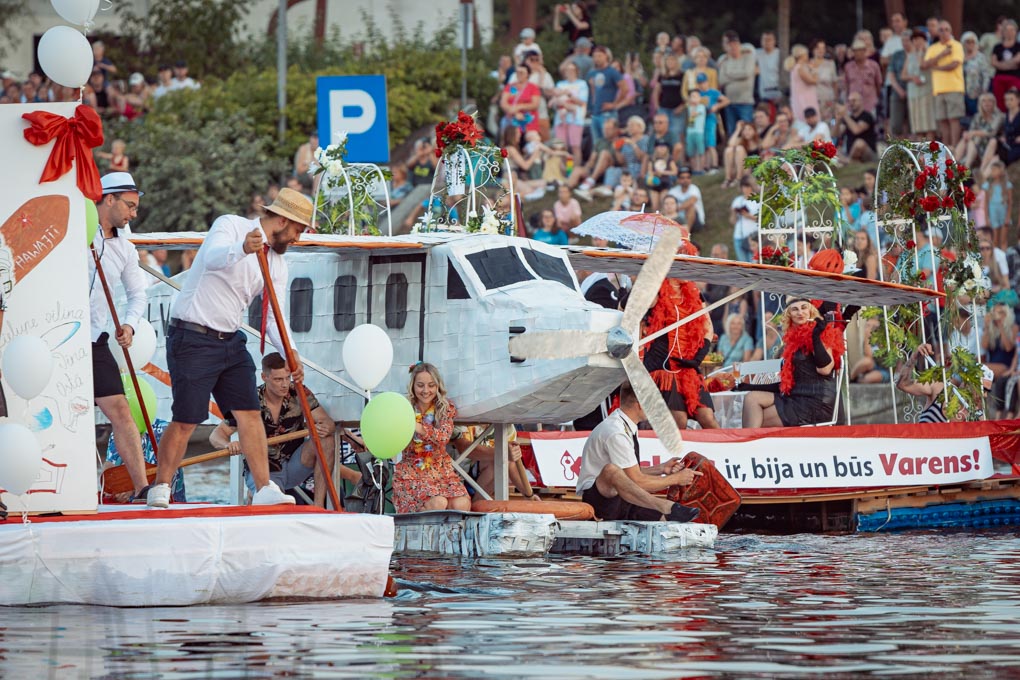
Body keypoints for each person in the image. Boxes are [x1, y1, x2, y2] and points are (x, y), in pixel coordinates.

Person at [146, 188, 314, 508]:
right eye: (297, 230)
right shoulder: (231, 226)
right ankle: (162, 486)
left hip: (231, 340)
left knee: (250, 413)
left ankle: (264, 488)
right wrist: (241, 249)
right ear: (281, 220)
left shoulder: (278, 263)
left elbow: (274, 317)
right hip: (192, 335)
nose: (298, 238)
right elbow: (211, 258)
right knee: (187, 418)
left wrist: (292, 353)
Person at [209, 353, 356, 506]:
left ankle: (318, 506)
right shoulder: (249, 400)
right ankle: (256, 494)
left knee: (326, 439)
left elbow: (326, 421)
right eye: (278, 379)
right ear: (264, 377)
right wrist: (228, 445)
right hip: (264, 473)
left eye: (287, 378)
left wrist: (326, 427)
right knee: (273, 508)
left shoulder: (298, 391)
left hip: (295, 465)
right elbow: (216, 435)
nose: (285, 384)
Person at [90, 172, 149, 502]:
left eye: (136, 208)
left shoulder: (126, 249)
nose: (133, 214)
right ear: (108, 199)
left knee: (121, 411)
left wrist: (128, 325)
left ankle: (142, 486)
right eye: (130, 205)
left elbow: (138, 295)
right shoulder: (75, 234)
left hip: (94, 340)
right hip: (56, 337)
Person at [575, 383, 701, 522]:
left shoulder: (624, 425)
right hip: (600, 502)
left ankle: (666, 510)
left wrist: (661, 469)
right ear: (640, 404)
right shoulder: (616, 432)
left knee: (667, 520)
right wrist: (675, 479)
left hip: (622, 498)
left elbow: (628, 474)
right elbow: (637, 481)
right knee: (611, 470)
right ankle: (666, 506)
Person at [740, 296, 844, 427]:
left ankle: (749, 445)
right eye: (795, 309)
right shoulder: (792, 341)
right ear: (789, 315)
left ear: (811, 311)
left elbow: (825, 369)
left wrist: (816, 337)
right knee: (752, 397)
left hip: (816, 401)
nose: (800, 312)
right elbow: (787, 383)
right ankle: (751, 444)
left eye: (804, 308)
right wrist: (750, 386)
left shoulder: (821, 332)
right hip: (796, 397)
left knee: (757, 419)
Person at [641, 275, 720, 431]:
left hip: (688, 365)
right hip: (663, 365)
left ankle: (723, 453)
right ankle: (657, 446)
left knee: (708, 418)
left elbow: (708, 327)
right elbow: (644, 304)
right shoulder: (658, 289)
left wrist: (698, 358)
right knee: (679, 421)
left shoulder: (694, 292)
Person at [393, 363, 470, 513]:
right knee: (438, 503)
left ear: (437, 386)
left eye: (431, 385)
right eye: (420, 385)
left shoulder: (444, 407)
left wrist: (419, 428)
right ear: (413, 386)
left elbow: (443, 437)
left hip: (441, 469)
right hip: (413, 471)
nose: (426, 391)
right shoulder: (404, 408)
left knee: (462, 505)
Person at [957, 93, 1003, 170]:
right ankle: (953, 164)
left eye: (989, 101)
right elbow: (971, 131)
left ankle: (968, 167)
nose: (987, 104)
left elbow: (991, 132)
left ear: (994, 103)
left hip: (991, 144)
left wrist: (974, 133)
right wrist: (968, 134)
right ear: (980, 103)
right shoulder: (977, 116)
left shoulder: (999, 116)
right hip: (976, 144)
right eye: (984, 101)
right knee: (966, 138)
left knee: (973, 139)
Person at [842, 39, 883, 116]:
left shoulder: (874, 66)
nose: (858, 53)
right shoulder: (848, 67)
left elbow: (878, 84)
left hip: (870, 103)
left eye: (860, 51)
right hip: (853, 105)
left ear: (865, 51)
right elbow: (846, 85)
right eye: (855, 51)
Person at [835, 92, 877, 162]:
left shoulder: (867, 116)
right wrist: (838, 120)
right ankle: (849, 161)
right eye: (849, 101)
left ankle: (848, 162)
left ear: (861, 101)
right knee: (834, 151)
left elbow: (856, 130)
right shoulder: (849, 118)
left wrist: (845, 115)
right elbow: (836, 134)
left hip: (868, 154)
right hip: (851, 154)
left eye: (854, 100)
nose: (851, 103)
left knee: (859, 143)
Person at [992, 19, 1020, 111]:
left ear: (1016, 31)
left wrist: (1000, 64)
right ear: (1003, 32)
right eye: (1007, 30)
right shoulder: (997, 47)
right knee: (1000, 103)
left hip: (1014, 78)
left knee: (1014, 102)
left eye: (1012, 30)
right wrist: (1011, 63)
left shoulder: (1018, 46)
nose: (1009, 32)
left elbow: (1018, 60)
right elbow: (993, 63)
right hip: (999, 78)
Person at [787, 45, 819, 124]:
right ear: (802, 55)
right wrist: (814, 70)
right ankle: (817, 137)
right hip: (805, 99)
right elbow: (813, 81)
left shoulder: (796, 68)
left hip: (802, 98)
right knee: (811, 121)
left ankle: (816, 137)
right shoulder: (799, 68)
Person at [730, 176, 759, 263]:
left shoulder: (758, 200)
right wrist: (735, 213)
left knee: (753, 264)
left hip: (753, 237)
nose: (745, 189)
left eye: (748, 186)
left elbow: (762, 220)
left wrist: (749, 216)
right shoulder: (737, 200)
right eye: (743, 186)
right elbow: (732, 221)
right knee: (742, 265)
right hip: (739, 236)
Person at [666, 167, 704, 234]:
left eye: (688, 177)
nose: (685, 180)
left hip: (695, 221)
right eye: (682, 178)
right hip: (676, 220)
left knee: (691, 207)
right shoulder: (673, 191)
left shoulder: (694, 189)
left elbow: (691, 201)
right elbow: (665, 203)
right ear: (678, 179)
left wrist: (675, 209)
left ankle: (686, 234)